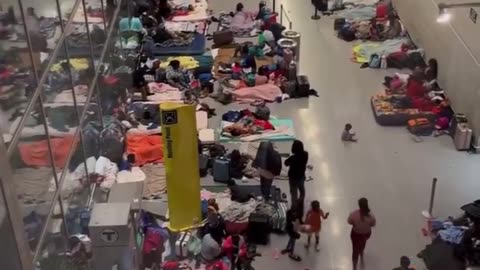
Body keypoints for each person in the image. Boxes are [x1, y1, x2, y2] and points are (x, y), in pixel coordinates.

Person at [348, 198, 376, 270]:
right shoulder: (371, 216)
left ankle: (354, 266)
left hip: (356, 234)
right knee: (363, 243)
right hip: (366, 234)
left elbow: (349, 221)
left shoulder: (353, 214)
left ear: (359, 205)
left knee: (355, 249)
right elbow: (373, 224)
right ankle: (361, 252)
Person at [284, 140, 308, 217]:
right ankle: (300, 206)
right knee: (302, 192)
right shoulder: (305, 154)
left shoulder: (293, 158)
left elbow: (286, 163)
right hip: (301, 177)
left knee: (294, 194)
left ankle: (294, 209)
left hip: (293, 178)